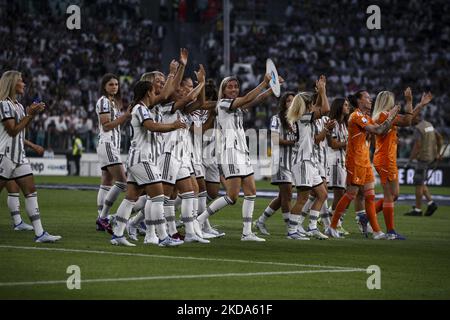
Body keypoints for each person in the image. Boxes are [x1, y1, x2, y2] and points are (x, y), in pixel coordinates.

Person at [196, 73, 277, 242]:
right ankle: (198, 221)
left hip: (242, 152)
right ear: (223, 90)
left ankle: (247, 233)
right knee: (232, 196)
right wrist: (264, 82)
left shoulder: (236, 105)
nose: (233, 89)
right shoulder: (224, 103)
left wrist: (273, 89)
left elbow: (255, 100)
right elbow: (248, 97)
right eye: (230, 87)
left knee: (251, 192)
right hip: (230, 152)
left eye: (235, 86)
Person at [110, 80, 186, 246]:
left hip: (138, 159)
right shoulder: (141, 108)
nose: (155, 95)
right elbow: (151, 127)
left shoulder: (141, 108)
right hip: (143, 159)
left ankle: (117, 235)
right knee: (158, 197)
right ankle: (164, 237)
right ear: (147, 93)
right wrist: (173, 125)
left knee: (130, 198)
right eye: (153, 92)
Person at [326, 90, 400, 239]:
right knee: (350, 194)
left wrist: (390, 117)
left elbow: (381, 130)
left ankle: (377, 231)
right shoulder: (357, 116)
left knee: (370, 196)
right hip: (355, 160)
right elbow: (378, 130)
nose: (370, 99)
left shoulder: (365, 117)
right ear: (359, 101)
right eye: (366, 97)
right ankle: (332, 226)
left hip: (365, 160)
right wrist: (391, 115)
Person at [0, 70, 61, 243]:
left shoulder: (18, 105)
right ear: (12, 84)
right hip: (4, 156)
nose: (24, 84)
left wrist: (30, 114)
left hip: (19, 156)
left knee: (31, 192)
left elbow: (20, 130)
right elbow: (12, 130)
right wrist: (30, 114)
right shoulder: (4, 104)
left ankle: (40, 233)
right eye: (20, 81)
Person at [286, 76, 331, 240]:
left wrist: (320, 91)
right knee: (303, 197)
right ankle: (292, 230)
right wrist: (323, 91)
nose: (313, 105)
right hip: (303, 162)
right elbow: (325, 109)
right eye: (311, 103)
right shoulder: (302, 118)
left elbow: (320, 107)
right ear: (305, 106)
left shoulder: (303, 117)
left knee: (322, 194)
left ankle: (311, 227)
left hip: (309, 162)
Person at [254, 91, 296, 235]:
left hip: (292, 162)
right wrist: (294, 142)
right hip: (280, 162)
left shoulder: (296, 120)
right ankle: (291, 228)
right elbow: (275, 139)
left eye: (294, 101)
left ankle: (260, 221)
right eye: (288, 101)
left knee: (282, 197)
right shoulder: (276, 119)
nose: (291, 103)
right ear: (284, 103)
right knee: (288, 195)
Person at [95, 73, 131, 233]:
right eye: (111, 84)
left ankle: (101, 218)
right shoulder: (104, 102)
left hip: (109, 145)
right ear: (104, 86)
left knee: (106, 182)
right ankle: (103, 217)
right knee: (122, 182)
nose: (114, 87)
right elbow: (106, 126)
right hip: (108, 145)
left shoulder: (113, 103)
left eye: (116, 84)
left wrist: (123, 116)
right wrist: (125, 116)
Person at [404, 110, 442, 217]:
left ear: (417, 117)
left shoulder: (418, 128)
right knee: (421, 183)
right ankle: (431, 203)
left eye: (412, 116)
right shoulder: (429, 125)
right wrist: (438, 153)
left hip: (423, 159)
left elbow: (417, 146)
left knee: (418, 184)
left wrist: (409, 161)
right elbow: (439, 138)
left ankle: (418, 209)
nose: (410, 119)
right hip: (431, 158)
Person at [5, 140, 44, 231]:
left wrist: (33, 146)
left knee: (15, 189)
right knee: (26, 191)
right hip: (5, 155)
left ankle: (19, 223)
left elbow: (18, 135)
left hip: (15, 155)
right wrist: (33, 146)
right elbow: (13, 131)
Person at [326, 98, 350, 234]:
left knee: (344, 194)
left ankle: (330, 217)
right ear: (339, 107)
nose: (348, 107)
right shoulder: (334, 123)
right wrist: (348, 143)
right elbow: (333, 144)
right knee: (339, 195)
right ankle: (336, 223)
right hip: (335, 161)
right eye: (345, 105)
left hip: (343, 161)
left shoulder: (344, 124)